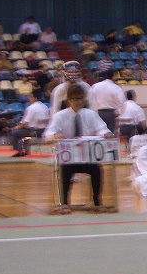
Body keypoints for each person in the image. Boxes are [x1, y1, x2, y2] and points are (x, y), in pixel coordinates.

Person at [43, 84, 112, 214]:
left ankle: (97, 202)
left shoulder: (91, 114)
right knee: (64, 171)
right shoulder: (60, 116)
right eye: (75, 99)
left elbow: (102, 129)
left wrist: (106, 134)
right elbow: (47, 135)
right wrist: (55, 135)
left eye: (81, 98)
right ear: (69, 100)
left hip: (87, 157)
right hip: (68, 158)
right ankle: (64, 203)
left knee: (97, 170)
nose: (79, 101)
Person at [9, 91, 49, 157]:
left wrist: (17, 127)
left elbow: (25, 122)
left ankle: (19, 150)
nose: (29, 98)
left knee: (14, 133)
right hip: (44, 131)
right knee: (26, 132)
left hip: (34, 131)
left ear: (35, 98)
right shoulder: (45, 107)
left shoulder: (31, 108)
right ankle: (25, 150)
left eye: (30, 97)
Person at [91, 68, 126, 132]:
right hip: (111, 113)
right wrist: (119, 112)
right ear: (113, 77)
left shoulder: (95, 86)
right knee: (111, 134)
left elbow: (91, 99)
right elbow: (122, 101)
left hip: (98, 113)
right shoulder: (116, 88)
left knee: (99, 133)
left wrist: (94, 111)